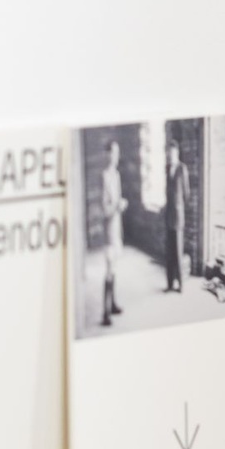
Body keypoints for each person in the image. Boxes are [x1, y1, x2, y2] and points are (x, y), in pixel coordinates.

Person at [99, 139, 127, 328]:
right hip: (109, 228)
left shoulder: (116, 175)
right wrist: (117, 206)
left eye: (117, 152)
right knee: (109, 269)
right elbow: (105, 209)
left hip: (117, 227)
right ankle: (105, 312)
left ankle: (113, 304)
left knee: (114, 267)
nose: (116, 156)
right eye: (113, 153)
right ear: (108, 154)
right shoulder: (105, 176)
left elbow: (116, 203)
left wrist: (120, 205)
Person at [164, 139, 188, 293]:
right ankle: (169, 284)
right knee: (169, 252)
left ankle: (180, 284)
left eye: (173, 153)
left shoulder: (182, 169)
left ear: (177, 153)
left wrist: (179, 207)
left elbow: (186, 193)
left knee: (178, 252)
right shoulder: (167, 168)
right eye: (169, 153)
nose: (170, 155)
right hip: (168, 216)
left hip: (178, 217)